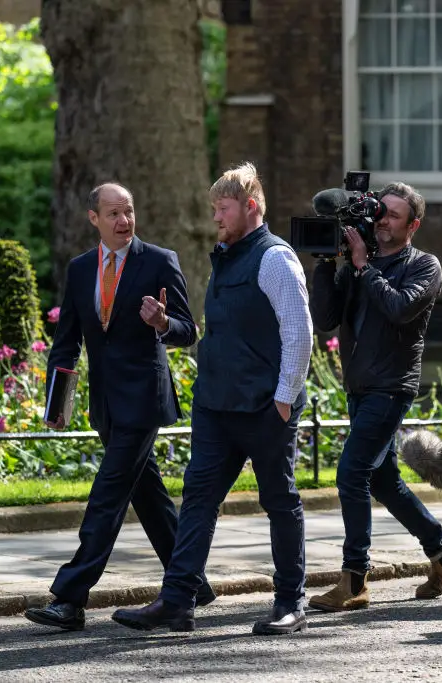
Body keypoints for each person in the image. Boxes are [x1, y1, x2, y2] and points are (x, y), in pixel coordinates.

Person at [112, 162, 313, 636]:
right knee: (198, 501)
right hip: (217, 406)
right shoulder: (225, 255)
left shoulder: (274, 258)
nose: (216, 218)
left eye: (222, 209)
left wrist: (284, 398)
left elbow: (299, 332)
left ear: (251, 207)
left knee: (279, 500)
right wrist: (164, 324)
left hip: (266, 407)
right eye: (214, 209)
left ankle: (290, 603)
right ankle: (177, 601)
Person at [25, 182, 198, 631]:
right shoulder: (81, 269)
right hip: (105, 403)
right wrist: (56, 402)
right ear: (94, 219)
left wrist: (162, 322)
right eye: (114, 214)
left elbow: (188, 330)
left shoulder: (159, 261)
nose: (125, 221)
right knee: (149, 495)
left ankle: (69, 598)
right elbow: (66, 344)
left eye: (129, 212)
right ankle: (192, 582)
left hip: (144, 399)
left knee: (108, 494)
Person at [307, 181, 442, 612]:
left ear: (412, 225)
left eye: (393, 216)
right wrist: (327, 264)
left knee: (351, 473)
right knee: (383, 480)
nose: (382, 221)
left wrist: (362, 267)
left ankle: (354, 580)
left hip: (391, 386)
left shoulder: (424, 266)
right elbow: (324, 319)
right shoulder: (363, 263)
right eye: (381, 213)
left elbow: (398, 309)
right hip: (360, 385)